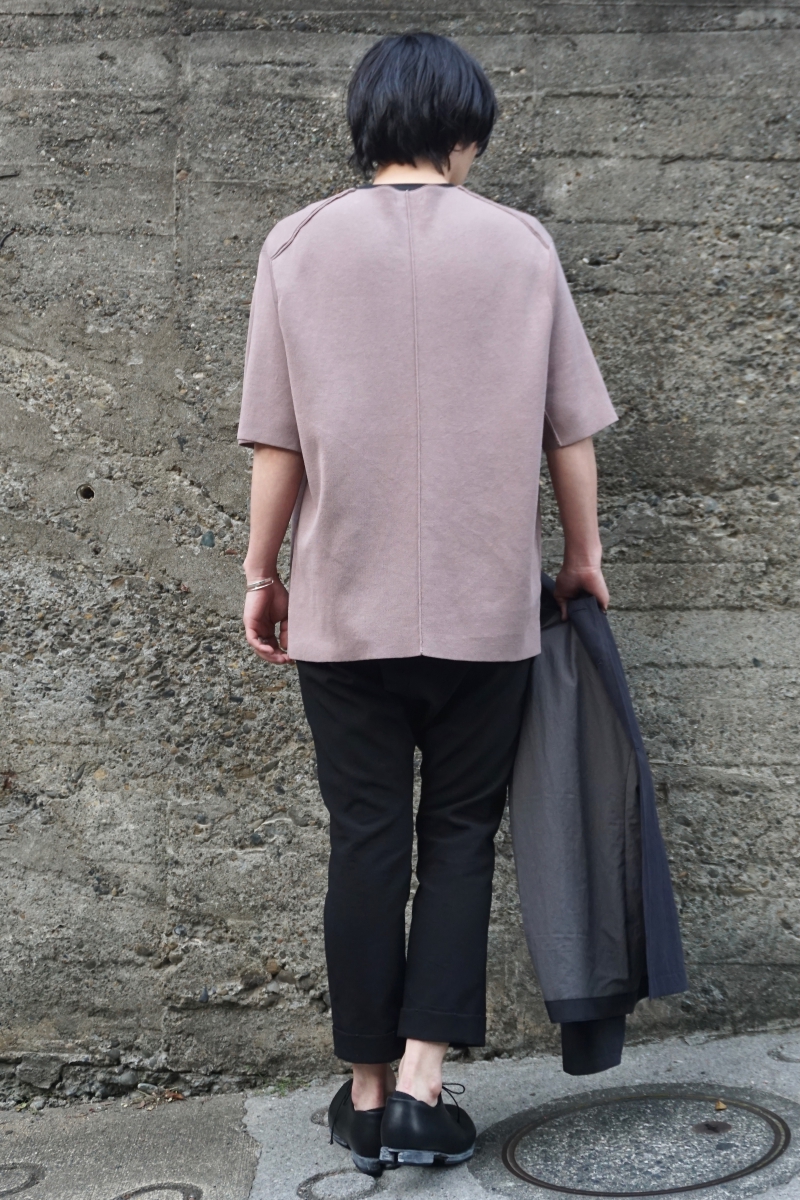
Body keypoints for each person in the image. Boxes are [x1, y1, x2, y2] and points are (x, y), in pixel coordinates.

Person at [237, 31, 617, 1177]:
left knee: (363, 838)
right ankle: (419, 1086)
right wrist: (582, 557)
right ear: (464, 130)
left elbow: (276, 443)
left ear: (367, 127)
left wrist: (261, 573)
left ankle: (360, 1097)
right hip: (482, 611)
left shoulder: (295, 244)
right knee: (457, 836)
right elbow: (568, 432)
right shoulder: (519, 245)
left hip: (342, 610)